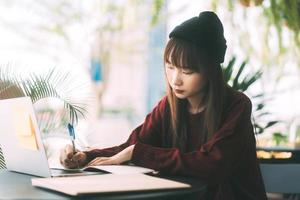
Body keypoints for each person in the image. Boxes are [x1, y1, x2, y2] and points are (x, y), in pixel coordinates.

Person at [60, 11, 267, 199]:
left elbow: (212, 164)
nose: (175, 79)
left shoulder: (237, 106)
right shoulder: (169, 106)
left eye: (187, 71)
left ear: (210, 71)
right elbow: (130, 147)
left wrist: (137, 152)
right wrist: (85, 156)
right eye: (170, 67)